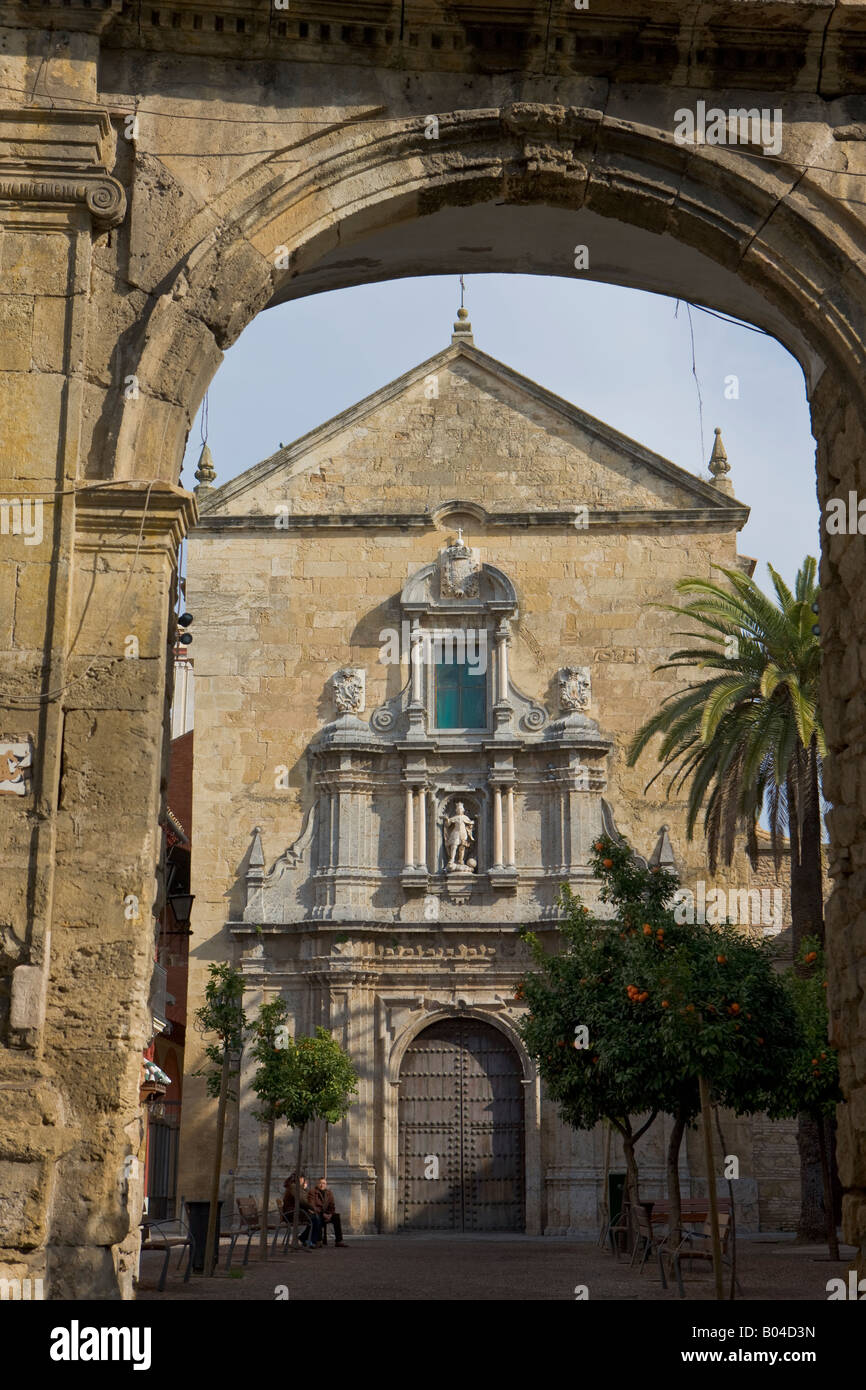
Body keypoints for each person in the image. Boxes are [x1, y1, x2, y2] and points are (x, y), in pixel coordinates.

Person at [282, 1173, 322, 1248]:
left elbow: (303, 1199)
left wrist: (303, 1189)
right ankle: (310, 1240)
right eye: (303, 1179)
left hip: (295, 1212)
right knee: (315, 1218)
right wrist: (313, 1208)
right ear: (300, 1179)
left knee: (315, 1217)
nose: (304, 1181)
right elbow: (302, 1201)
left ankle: (305, 1238)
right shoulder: (294, 1187)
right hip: (292, 1214)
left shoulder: (295, 1187)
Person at [311, 1177, 347, 1247]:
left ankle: (338, 1241)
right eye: (320, 1183)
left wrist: (330, 1214)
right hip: (318, 1213)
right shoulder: (313, 1192)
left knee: (336, 1217)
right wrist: (323, 1214)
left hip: (327, 1214)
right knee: (318, 1218)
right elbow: (312, 1206)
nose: (322, 1185)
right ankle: (319, 1240)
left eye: (324, 1183)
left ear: (326, 1184)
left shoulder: (329, 1193)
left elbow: (332, 1206)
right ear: (317, 1184)